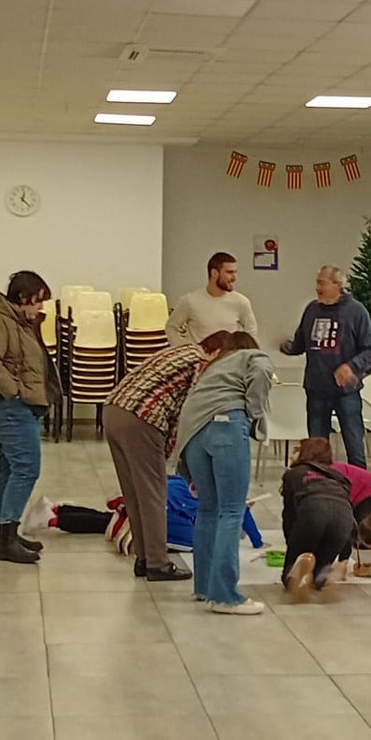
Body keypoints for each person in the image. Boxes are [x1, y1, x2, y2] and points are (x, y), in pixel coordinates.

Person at [103, 332, 226, 583]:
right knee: (153, 493)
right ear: (216, 351)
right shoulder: (198, 362)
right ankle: (158, 563)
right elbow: (188, 414)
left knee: (134, 492)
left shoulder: (178, 352)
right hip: (142, 418)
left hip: (113, 410)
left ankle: (144, 557)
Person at [176, 332, 274, 614]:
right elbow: (263, 371)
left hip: (193, 434)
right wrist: (255, 415)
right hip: (227, 426)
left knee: (208, 509)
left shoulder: (213, 368)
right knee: (232, 511)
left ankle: (205, 587)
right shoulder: (253, 357)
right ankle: (226, 596)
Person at [0, 270, 52, 565]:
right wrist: (15, 392)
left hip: (19, 404)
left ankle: (6, 533)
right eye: (37, 302)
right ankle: (7, 538)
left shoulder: (19, 322)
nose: (40, 309)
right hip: (8, 405)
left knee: (9, 467)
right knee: (26, 468)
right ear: (22, 298)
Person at [278, 265, 371, 469]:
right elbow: (300, 344)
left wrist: (351, 367)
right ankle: (318, 488)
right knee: (315, 451)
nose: (317, 288)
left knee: (354, 447)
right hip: (316, 391)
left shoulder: (356, 312)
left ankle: (357, 491)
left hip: (346, 393)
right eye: (317, 283)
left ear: (338, 285)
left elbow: (370, 351)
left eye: (321, 283)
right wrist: (286, 347)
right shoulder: (312, 310)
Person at [280, 439, 360, 601]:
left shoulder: (294, 473)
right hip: (344, 518)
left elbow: (289, 514)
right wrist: (344, 557)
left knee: (289, 573)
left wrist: (293, 544)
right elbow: (350, 516)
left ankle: (297, 570)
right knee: (320, 571)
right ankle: (322, 576)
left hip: (312, 510)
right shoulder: (339, 477)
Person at [167, 251, 258, 346]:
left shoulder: (241, 302)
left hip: (228, 359)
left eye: (235, 272)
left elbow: (251, 332)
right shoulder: (190, 301)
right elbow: (171, 327)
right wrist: (186, 348)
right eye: (229, 272)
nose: (234, 278)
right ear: (214, 273)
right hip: (199, 359)